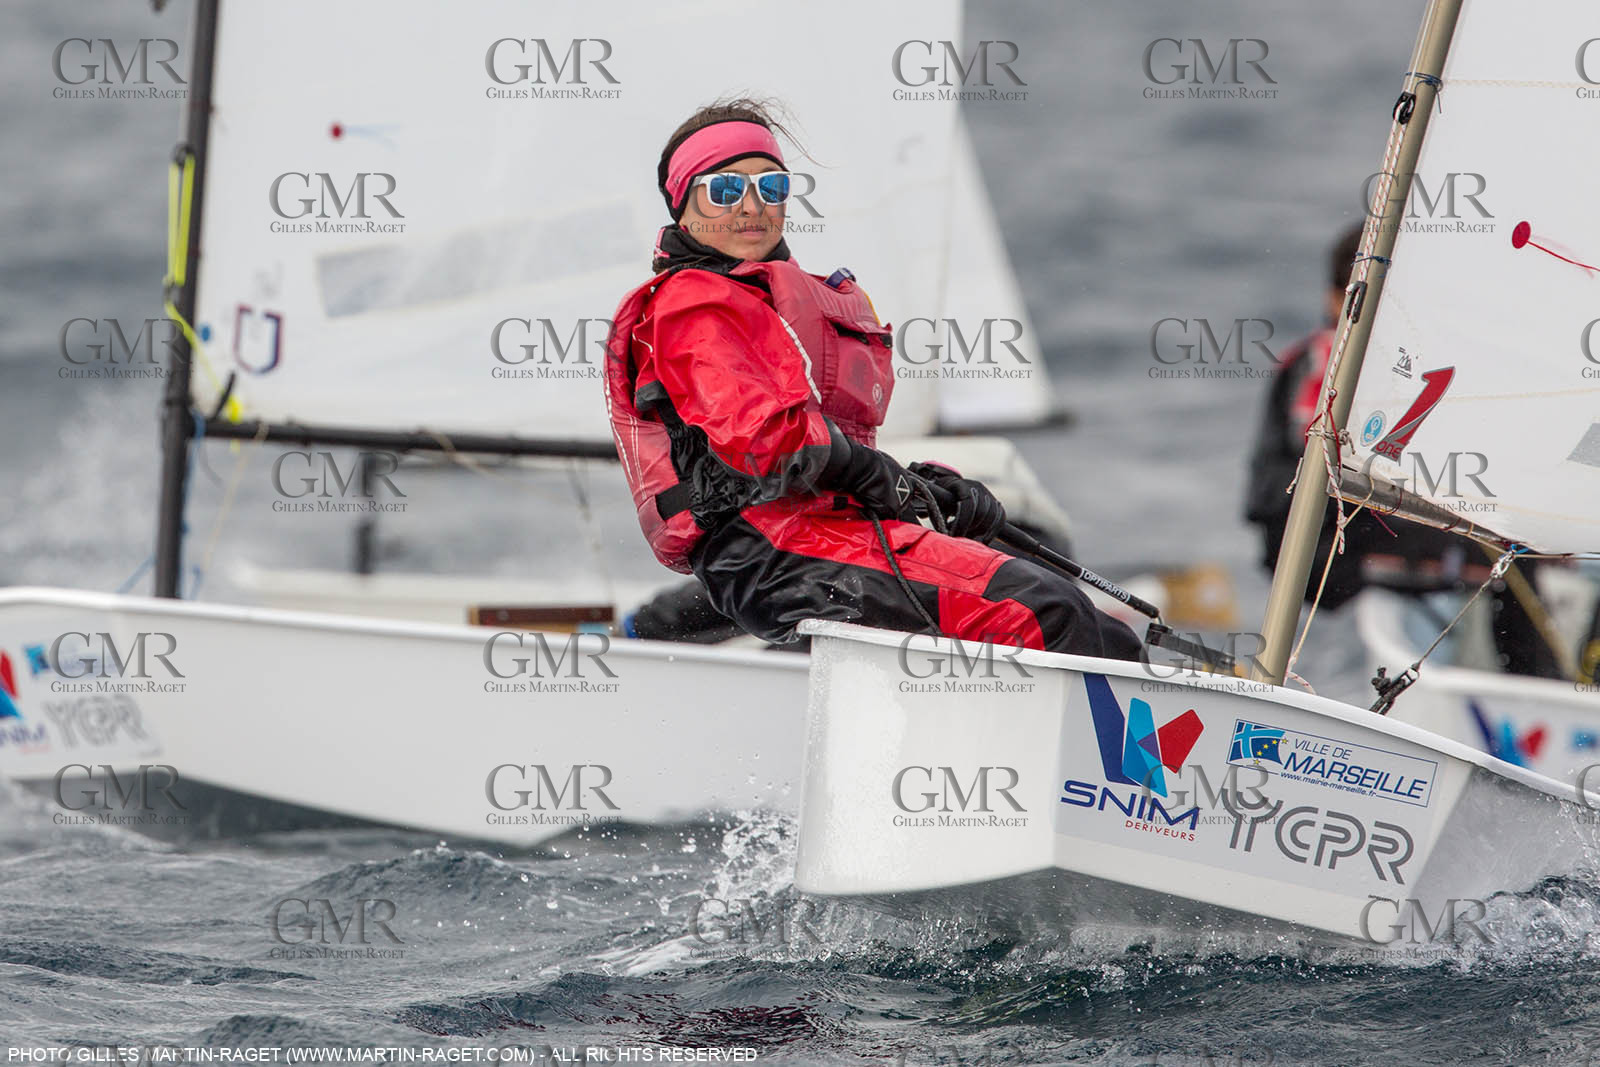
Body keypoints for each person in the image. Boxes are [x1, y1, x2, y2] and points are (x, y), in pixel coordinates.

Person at [605, 99, 1140, 659]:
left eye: (772, 187)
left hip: (825, 536)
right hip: (773, 553)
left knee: (1101, 630)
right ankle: (1094, 744)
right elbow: (767, 443)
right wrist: (882, 477)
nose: (751, 206)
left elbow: (833, 462)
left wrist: (924, 488)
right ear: (683, 205)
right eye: (724, 190)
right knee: (1043, 613)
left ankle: (1142, 741)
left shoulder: (763, 300)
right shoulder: (692, 304)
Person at [1244, 223, 1562, 679]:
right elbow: (1304, 479)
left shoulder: (1319, 360)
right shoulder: (1326, 364)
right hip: (1330, 566)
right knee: (1514, 563)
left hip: (1345, 557)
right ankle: (1542, 690)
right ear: (1341, 301)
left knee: (1513, 554)